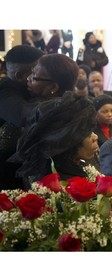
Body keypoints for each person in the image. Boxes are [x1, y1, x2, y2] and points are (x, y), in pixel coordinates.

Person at [9, 91, 99, 188]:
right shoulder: (52, 185)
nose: (95, 137)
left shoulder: (81, 164)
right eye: (87, 133)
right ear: (66, 142)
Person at [0, 45, 44, 190]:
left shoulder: (28, 89)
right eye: (38, 70)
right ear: (20, 75)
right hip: (7, 175)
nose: (43, 74)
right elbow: (27, 116)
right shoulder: (4, 93)